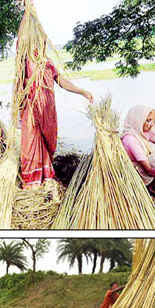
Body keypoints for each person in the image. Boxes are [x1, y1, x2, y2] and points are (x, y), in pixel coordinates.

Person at [15, 15, 93, 188]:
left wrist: (82, 91)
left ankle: (46, 176)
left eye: (42, 42)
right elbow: (20, 42)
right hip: (31, 112)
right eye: (37, 42)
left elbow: (62, 82)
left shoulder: (48, 64)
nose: (40, 45)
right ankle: (31, 182)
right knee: (30, 144)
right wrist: (27, 12)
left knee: (46, 143)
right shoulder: (26, 63)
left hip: (48, 113)